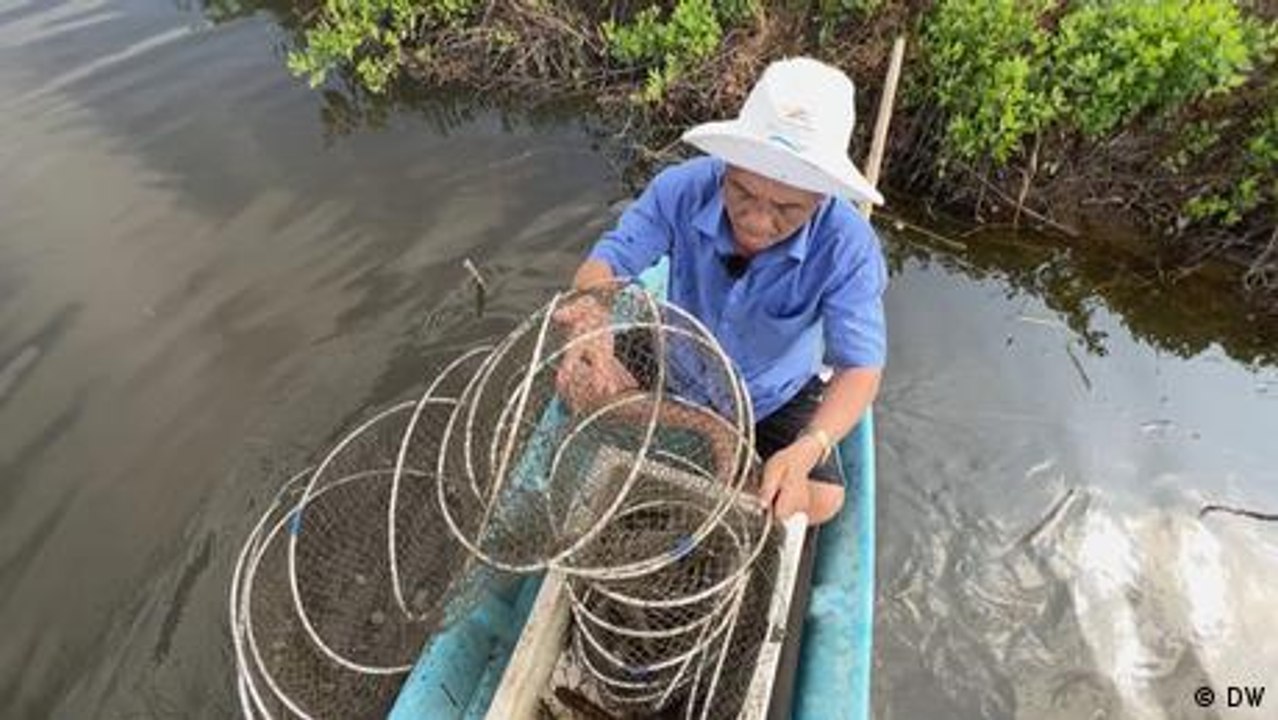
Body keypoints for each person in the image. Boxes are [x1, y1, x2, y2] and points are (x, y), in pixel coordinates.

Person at [558, 57, 887, 526]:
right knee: (575, 383)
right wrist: (592, 309)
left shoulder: (849, 246)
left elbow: (860, 369)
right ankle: (707, 428)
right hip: (676, 357)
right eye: (743, 193)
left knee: (823, 499)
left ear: (822, 198)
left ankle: (725, 455)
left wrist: (809, 448)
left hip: (771, 395)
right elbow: (608, 261)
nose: (756, 222)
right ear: (728, 164)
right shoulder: (681, 189)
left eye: (787, 210)